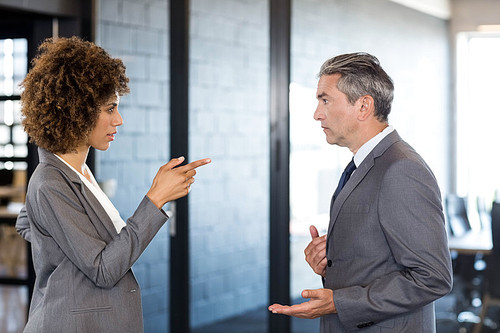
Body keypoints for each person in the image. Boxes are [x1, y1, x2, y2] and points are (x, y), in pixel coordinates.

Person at [15, 36, 211, 333]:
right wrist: (155, 199)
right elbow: (104, 270)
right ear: (76, 111)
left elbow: (26, 223)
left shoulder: (79, 172)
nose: (118, 120)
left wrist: (60, 245)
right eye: (110, 109)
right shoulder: (49, 180)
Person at [269, 52, 452, 332]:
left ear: (363, 106)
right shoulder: (363, 163)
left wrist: (339, 302)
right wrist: (331, 263)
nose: (317, 113)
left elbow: (432, 277)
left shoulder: (401, 169)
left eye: (325, 100)